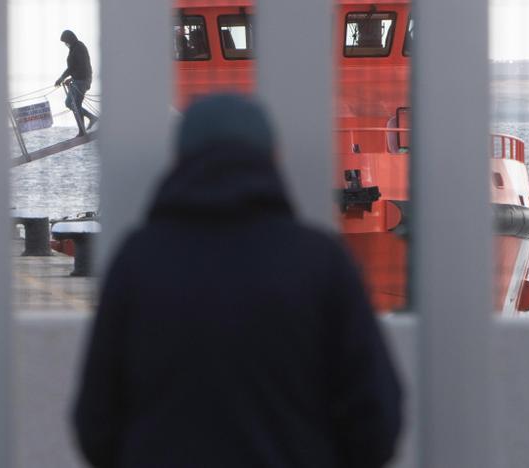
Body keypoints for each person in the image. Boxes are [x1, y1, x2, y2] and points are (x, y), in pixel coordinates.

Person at [72, 94, 402, 468]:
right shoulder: (321, 261)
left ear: (180, 156)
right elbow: (375, 416)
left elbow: (95, 420)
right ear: (273, 155)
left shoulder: (139, 260)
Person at [54, 29, 98, 136]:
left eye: (66, 41)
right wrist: (72, 78)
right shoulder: (74, 48)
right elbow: (75, 68)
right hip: (78, 80)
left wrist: (61, 78)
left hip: (82, 81)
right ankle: (90, 120)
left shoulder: (78, 48)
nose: (65, 44)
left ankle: (83, 130)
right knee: (70, 103)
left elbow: (76, 68)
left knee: (75, 105)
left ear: (70, 39)